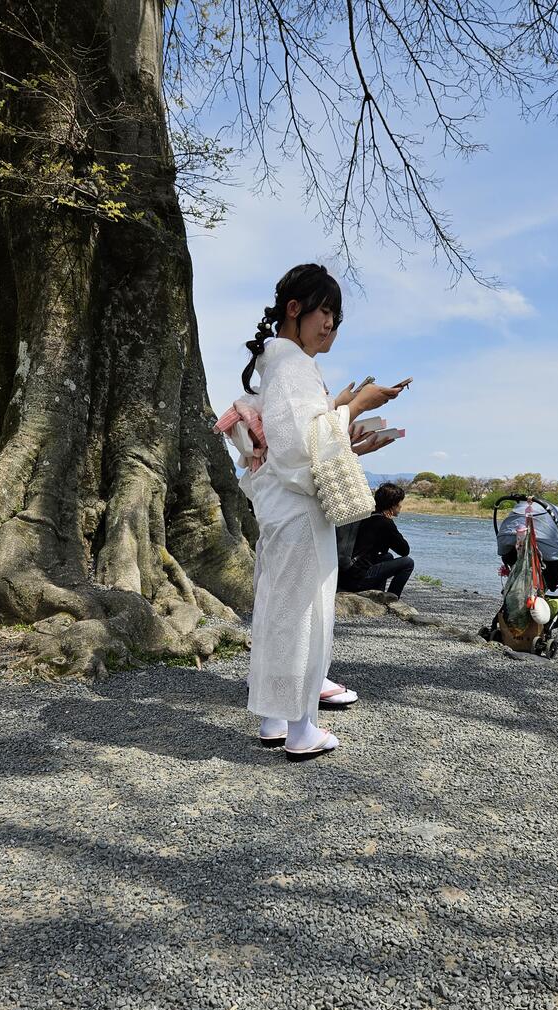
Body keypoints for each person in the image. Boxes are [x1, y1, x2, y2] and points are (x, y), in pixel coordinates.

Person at [239, 263, 408, 761]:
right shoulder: (291, 365)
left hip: (281, 509)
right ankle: (301, 729)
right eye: (326, 310)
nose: (332, 323)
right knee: (304, 612)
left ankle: (275, 717)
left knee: (279, 609)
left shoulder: (280, 364)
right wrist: (353, 409)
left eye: (337, 315)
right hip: (296, 511)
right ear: (296, 309)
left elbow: (300, 441)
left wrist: (350, 435)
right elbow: (297, 449)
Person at [338, 482, 414, 599]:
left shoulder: (367, 517)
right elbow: (405, 550)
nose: (401, 506)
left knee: (387, 556)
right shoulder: (385, 523)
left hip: (346, 575)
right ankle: (392, 598)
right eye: (400, 502)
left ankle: (379, 593)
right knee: (408, 563)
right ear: (392, 504)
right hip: (358, 579)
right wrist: (391, 524)